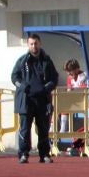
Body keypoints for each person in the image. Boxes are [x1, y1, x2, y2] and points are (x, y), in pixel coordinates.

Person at [11, 33, 58, 164]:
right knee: (24, 129)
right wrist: (22, 86)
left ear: (40, 43)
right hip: (26, 101)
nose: (34, 46)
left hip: (42, 100)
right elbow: (14, 78)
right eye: (31, 44)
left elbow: (54, 79)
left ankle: (44, 154)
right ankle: (23, 154)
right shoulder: (22, 61)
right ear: (28, 45)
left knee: (43, 129)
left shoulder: (47, 61)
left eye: (36, 43)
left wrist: (46, 88)